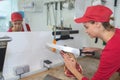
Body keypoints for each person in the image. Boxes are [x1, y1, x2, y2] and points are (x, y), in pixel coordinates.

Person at [60, 5, 120, 80]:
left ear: (97, 24)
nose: (86, 31)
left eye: (86, 27)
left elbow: (112, 52)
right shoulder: (117, 33)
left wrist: (73, 70)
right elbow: (116, 54)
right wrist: (99, 51)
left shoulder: (112, 49)